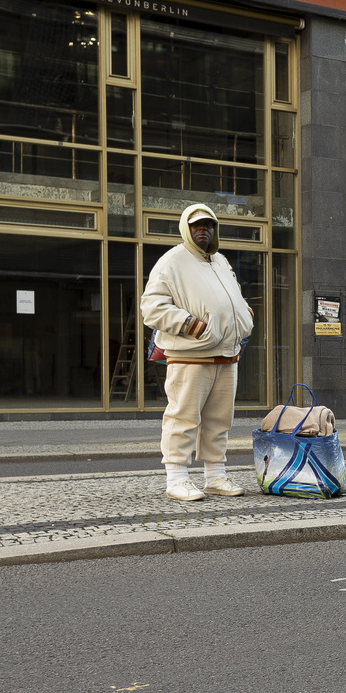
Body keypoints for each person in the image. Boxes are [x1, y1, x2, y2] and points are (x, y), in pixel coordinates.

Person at [141, 203, 256, 501]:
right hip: (191, 355)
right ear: (185, 228)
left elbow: (232, 297)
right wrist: (191, 325)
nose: (203, 229)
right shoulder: (172, 262)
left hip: (228, 355)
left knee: (219, 420)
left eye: (208, 224)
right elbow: (151, 308)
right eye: (196, 225)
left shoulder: (220, 261)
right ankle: (176, 478)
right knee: (183, 417)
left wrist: (244, 315)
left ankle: (215, 476)